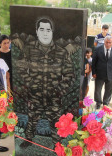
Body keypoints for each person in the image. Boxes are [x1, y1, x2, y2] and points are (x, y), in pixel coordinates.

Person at [13, 17, 75, 148]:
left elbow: (69, 74)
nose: (45, 33)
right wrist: (31, 83)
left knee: (56, 123)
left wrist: (60, 90)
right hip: (35, 95)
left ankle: (57, 146)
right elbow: (20, 67)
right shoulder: (29, 50)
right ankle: (28, 139)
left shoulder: (61, 52)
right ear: (37, 31)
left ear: (52, 32)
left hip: (54, 96)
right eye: (42, 29)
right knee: (32, 119)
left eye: (48, 30)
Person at [92, 35, 112, 109]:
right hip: (99, 73)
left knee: (109, 89)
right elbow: (94, 62)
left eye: (110, 42)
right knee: (98, 89)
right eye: (106, 42)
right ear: (104, 42)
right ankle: (98, 102)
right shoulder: (98, 49)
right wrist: (94, 72)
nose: (108, 44)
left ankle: (106, 103)